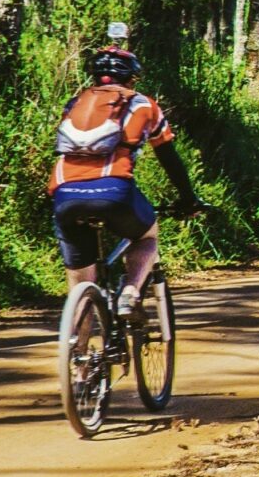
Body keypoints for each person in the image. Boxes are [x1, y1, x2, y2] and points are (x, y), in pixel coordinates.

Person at [50, 23, 203, 312]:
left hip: (64, 196)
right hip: (115, 191)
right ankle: (130, 293)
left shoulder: (75, 103)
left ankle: (78, 351)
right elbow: (168, 156)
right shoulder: (144, 105)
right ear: (132, 78)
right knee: (146, 236)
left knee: (80, 285)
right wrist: (188, 198)